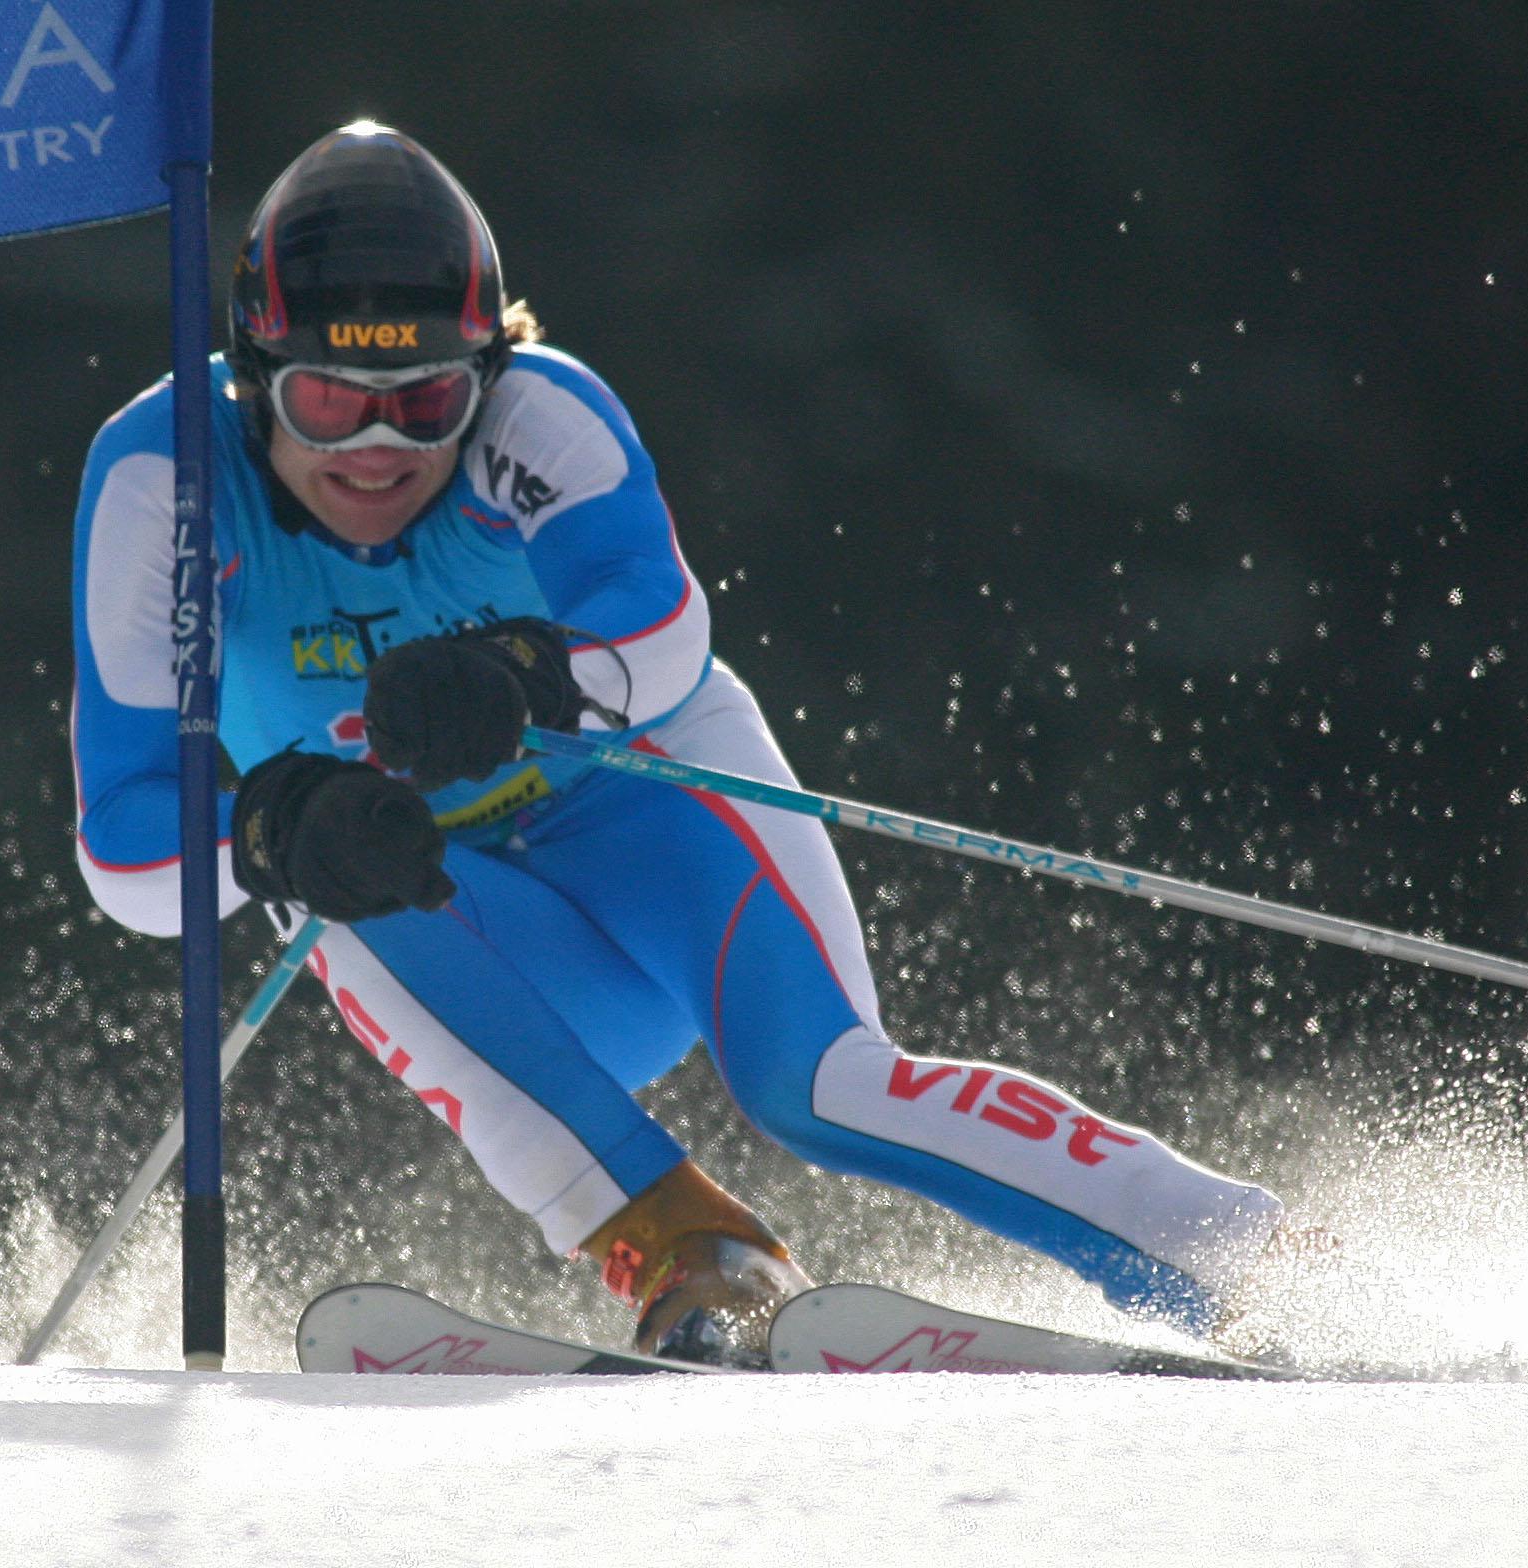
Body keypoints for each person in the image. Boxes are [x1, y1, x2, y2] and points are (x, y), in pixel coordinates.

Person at [70, 120, 1287, 1366]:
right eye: (327, 402)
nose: (377, 447)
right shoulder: (162, 477)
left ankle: (1237, 1253)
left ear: (483, 373)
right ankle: (692, 1251)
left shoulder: (541, 413)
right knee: (317, 885)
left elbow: (665, 625)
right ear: (253, 376)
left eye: (425, 399)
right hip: (479, 930)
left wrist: (526, 670)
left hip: (645, 812)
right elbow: (123, 849)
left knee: (819, 1086)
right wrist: (273, 824)